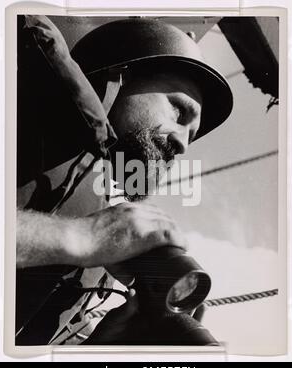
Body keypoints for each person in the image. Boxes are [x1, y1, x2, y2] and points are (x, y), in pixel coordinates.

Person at [16, 16, 233, 345]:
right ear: (119, 76)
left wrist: (98, 351)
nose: (183, 144)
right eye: (178, 111)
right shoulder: (14, 109)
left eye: (192, 135)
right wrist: (81, 237)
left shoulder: (99, 253)